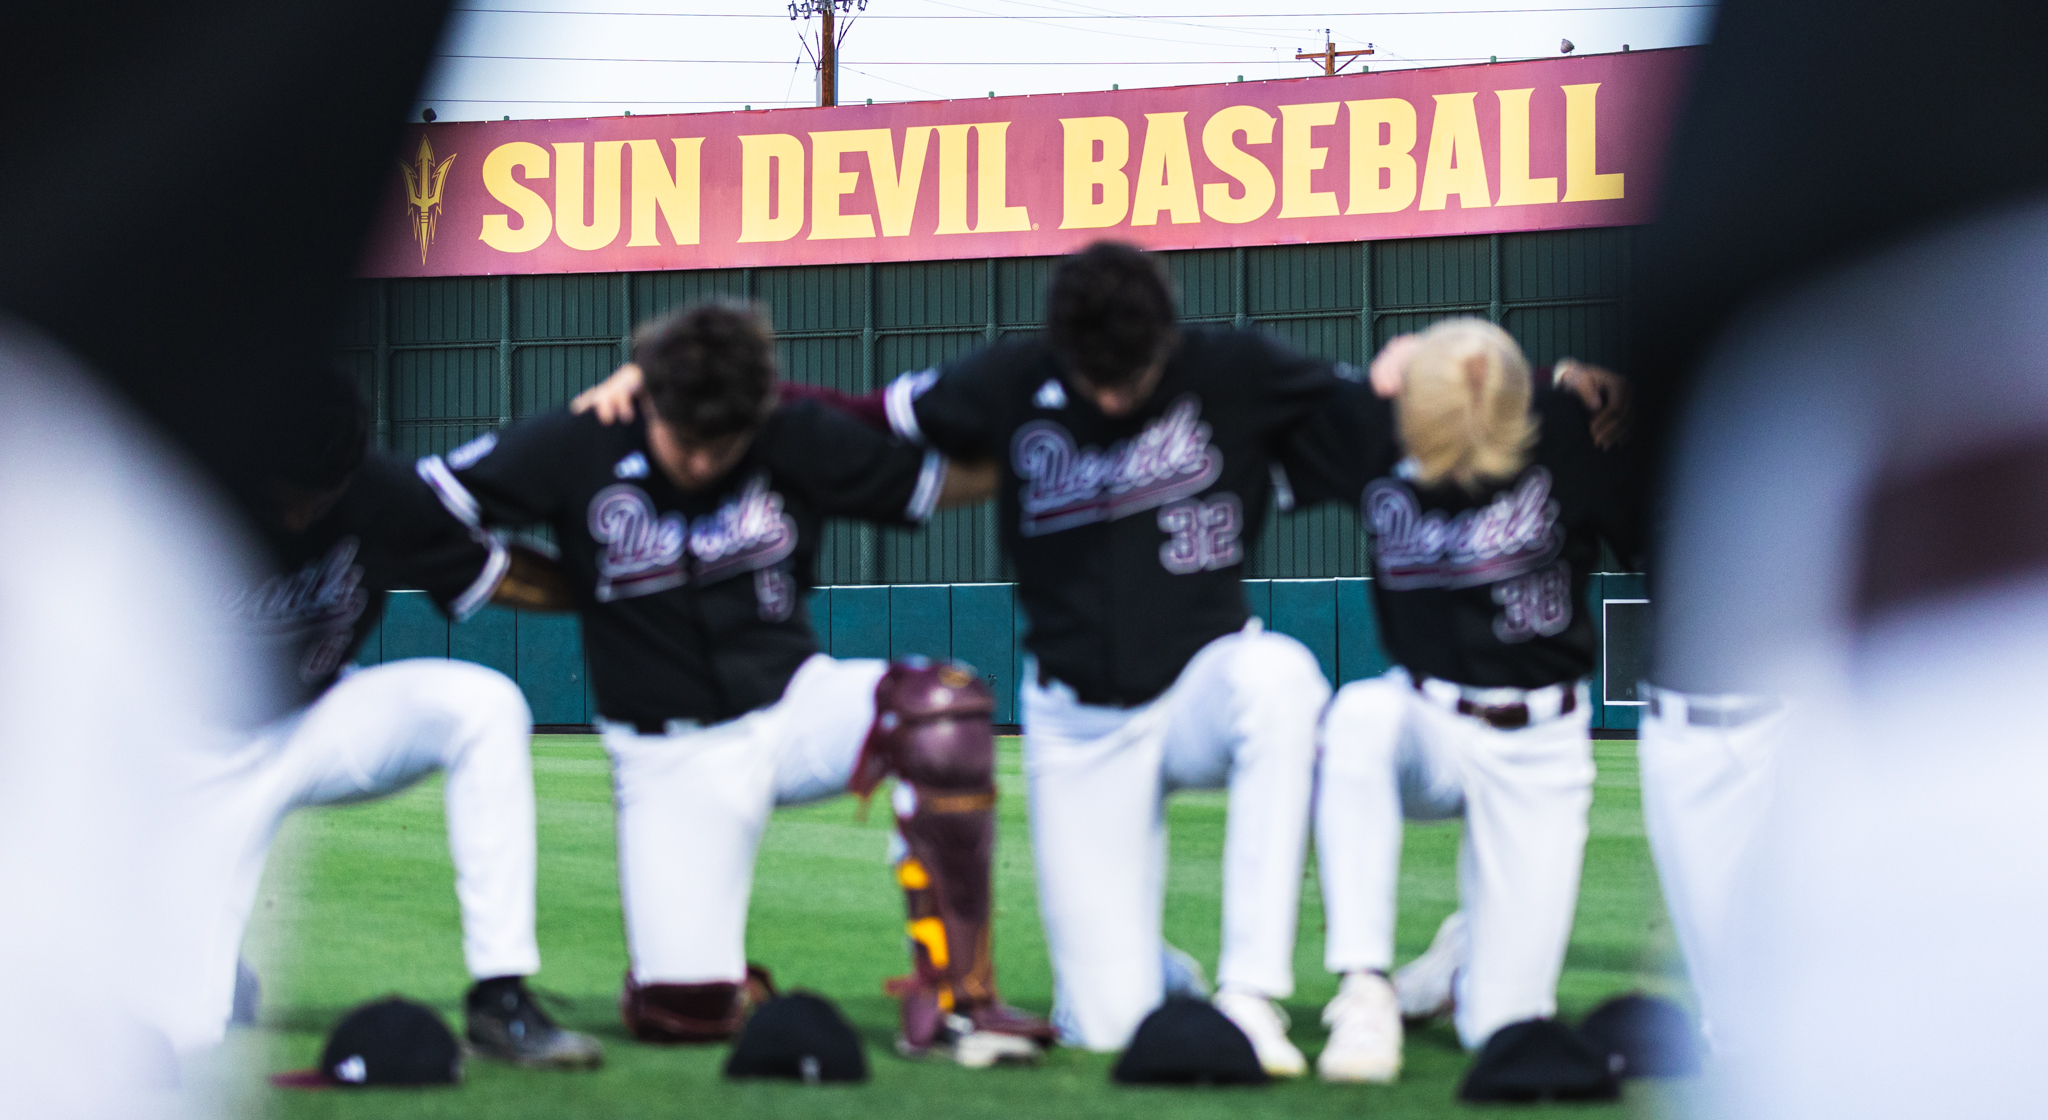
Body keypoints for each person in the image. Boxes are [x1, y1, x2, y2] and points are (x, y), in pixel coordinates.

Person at [571, 244, 1341, 1075]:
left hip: (1200, 683)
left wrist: (1419, 369)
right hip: (1081, 723)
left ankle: (1250, 995)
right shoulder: (1013, 381)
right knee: (1110, 1025)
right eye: (1094, 374)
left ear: (1169, 338)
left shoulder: (1239, 367)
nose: (1114, 394)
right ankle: (1146, 968)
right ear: (1058, 346)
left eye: (1132, 372)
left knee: (1282, 679)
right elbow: (863, 413)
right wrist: (689, 397)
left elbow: (1371, 413)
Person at [416, 300, 1050, 1067]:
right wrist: (536, 582)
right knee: (684, 1015)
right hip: (669, 754)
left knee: (940, 708)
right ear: (648, 397)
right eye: (687, 439)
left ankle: (959, 1001)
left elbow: (942, 478)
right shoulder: (579, 441)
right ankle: (698, 978)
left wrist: (1064, 445)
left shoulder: (790, 433)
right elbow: (429, 501)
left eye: (726, 442)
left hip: (792, 706)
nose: (704, 462)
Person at [153, 367, 602, 1069]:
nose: (300, 518)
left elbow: (500, 572)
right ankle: (200, 967)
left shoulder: (376, 492)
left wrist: (617, 588)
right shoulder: (179, 494)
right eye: (283, 500)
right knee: (186, 1033)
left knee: (484, 706)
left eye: (318, 498)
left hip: (319, 718)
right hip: (191, 758)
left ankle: (500, 997)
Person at [1284, 319, 1636, 1081]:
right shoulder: (1372, 425)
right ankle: (1364, 987)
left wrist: (1566, 378)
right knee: (1359, 717)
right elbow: (1249, 386)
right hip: (1427, 721)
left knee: (1503, 1030)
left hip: (1541, 742)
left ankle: (1460, 962)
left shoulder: (1576, 425)